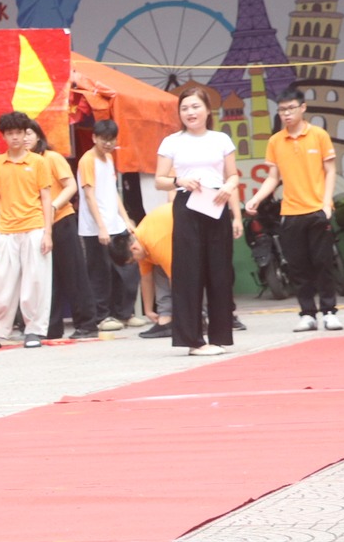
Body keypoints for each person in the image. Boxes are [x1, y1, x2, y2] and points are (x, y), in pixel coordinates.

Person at [243, 87, 342, 332]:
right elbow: (272, 177)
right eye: (282, 110)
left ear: (302, 108)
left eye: (291, 108)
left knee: (323, 263)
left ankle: (329, 311)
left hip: (317, 209)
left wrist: (326, 203)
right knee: (298, 266)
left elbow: (330, 171)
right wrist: (256, 199)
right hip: (290, 212)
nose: (286, 114)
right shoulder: (276, 141)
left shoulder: (318, 135)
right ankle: (307, 314)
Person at [156, 90, 239, 356]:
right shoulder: (172, 142)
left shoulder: (221, 139)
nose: (190, 113)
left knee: (219, 272)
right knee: (188, 273)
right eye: (184, 108)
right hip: (187, 204)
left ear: (207, 109)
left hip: (216, 203)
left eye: (195, 107)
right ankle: (193, 341)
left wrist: (229, 188)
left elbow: (233, 175)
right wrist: (179, 180)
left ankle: (219, 336)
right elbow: (159, 180)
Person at [0, 111, 57, 351]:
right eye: (10, 133)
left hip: (34, 227)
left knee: (35, 282)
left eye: (19, 133)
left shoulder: (38, 162)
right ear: (3, 136)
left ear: (25, 135)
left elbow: (46, 198)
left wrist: (47, 232)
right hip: (5, 230)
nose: (15, 138)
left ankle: (34, 330)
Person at [31, 123, 94, 340]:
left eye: (29, 133)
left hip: (61, 219)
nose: (25, 138)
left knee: (73, 273)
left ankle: (86, 324)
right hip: (38, 225)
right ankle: (51, 327)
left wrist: (54, 206)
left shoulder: (52, 158)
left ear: (39, 136)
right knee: (47, 277)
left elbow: (71, 186)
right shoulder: (24, 164)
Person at [77, 120, 138, 330]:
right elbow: (89, 195)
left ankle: (124, 313)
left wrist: (126, 219)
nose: (108, 144)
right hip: (95, 228)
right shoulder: (87, 160)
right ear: (94, 138)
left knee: (126, 268)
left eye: (112, 140)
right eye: (104, 139)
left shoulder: (109, 158)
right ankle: (102, 317)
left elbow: (113, 192)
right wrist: (101, 227)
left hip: (115, 223)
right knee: (100, 273)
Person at [114, 202, 174, 338]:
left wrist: (182, 315)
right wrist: (148, 310)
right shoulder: (140, 243)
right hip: (175, 232)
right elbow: (146, 278)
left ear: (133, 249)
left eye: (133, 261)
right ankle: (166, 318)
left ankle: (194, 317)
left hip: (196, 229)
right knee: (157, 268)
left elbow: (177, 280)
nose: (136, 263)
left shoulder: (155, 244)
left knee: (174, 273)